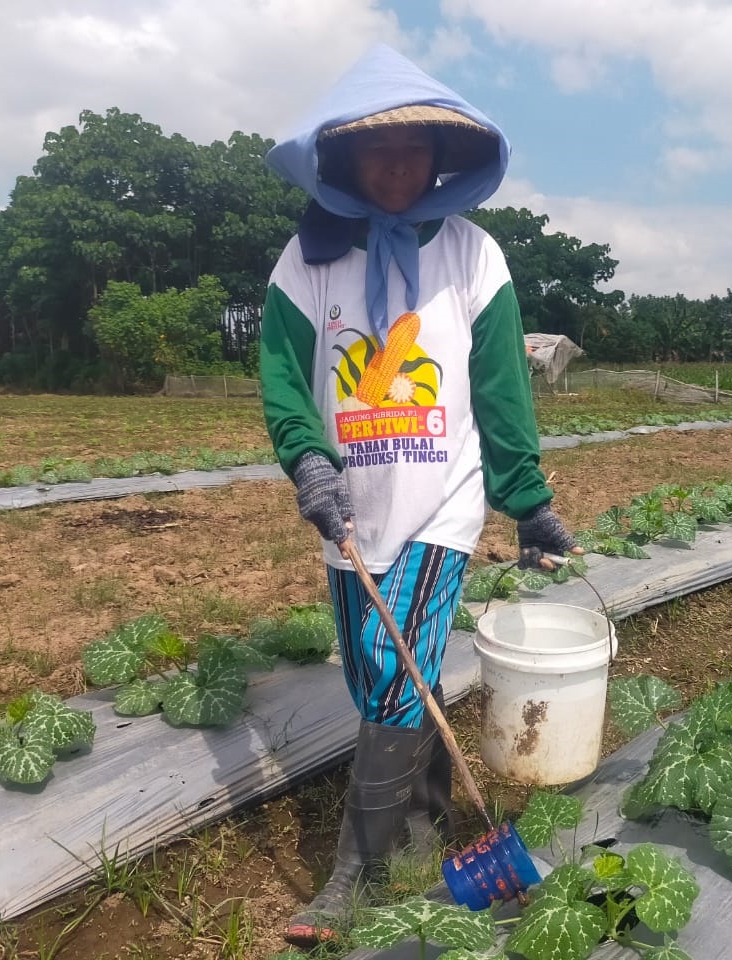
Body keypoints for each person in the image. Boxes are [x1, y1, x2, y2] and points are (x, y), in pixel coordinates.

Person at [259, 44, 581, 946]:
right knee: (379, 673)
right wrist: (307, 461)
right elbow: (283, 375)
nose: (398, 168)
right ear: (346, 159)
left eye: (415, 150)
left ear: (442, 158)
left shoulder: (473, 255)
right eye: (380, 150)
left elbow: (502, 391)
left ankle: (355, 876)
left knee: (393, 671)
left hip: (442, 500)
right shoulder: (309, 258)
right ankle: (427, 821)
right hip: (351, 506)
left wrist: (527, 500)